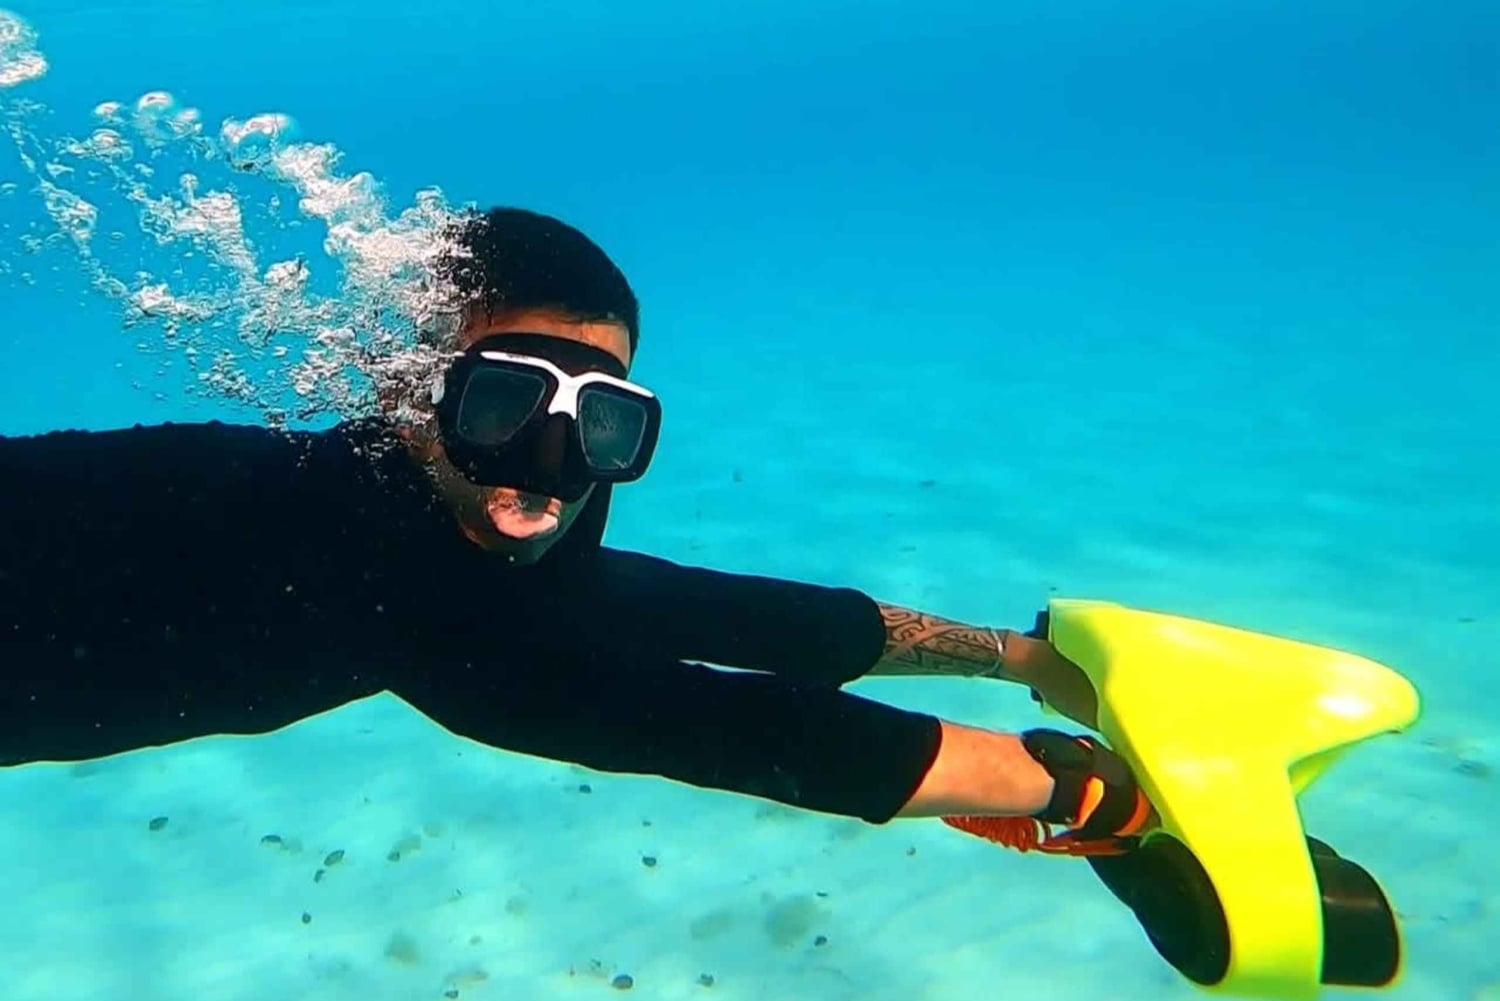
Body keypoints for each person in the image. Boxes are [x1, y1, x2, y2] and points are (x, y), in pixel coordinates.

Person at [0, 206, 1147, 848]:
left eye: (600, 421)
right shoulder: (357, 548)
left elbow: (676, 606)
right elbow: (680, 719)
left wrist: (1018, 658)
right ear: (407, 394)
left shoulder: (485, 532)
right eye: (502, 402)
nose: (551, 463)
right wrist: (1071, 793)